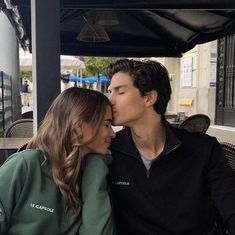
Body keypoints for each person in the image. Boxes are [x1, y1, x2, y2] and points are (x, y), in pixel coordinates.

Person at [106, 59, 235, 235]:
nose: (109, 100)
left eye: (119, 92)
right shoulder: (108, 151)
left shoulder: (204, 149)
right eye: (109, 91)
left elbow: (229, 206)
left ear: (149, 98)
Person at [0, 87, 116, 235]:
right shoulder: (25, 165)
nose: (112, 133)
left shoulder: (91, 175)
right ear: (79, 127)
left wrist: (96, 166)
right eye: (106, 124)